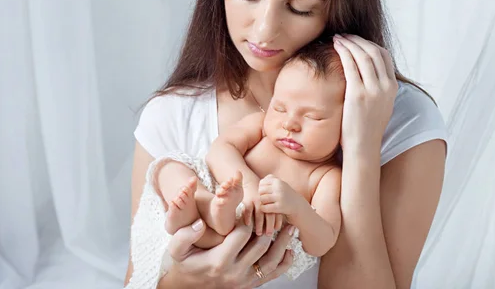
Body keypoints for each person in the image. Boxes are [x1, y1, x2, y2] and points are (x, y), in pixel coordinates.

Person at [125, 0, 448, 287]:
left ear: (340, 6)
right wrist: (189, 282)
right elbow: (135, 277)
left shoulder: (406, 123)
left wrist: (361, 150)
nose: (263, 31)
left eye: (299, 8)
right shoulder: (173, 113)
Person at [136, 42, 344, 283]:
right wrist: (249, 186)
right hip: (218, 190)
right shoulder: (261, 125)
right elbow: (220, 150)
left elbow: (323, 240)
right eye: (280, 107)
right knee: (170, 168)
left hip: (246, 234)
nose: (289, 124)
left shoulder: (325, 176)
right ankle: (200, 209)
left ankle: (204, 221)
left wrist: (296, 206)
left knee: (228, 237)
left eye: (312, 117)